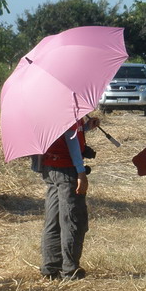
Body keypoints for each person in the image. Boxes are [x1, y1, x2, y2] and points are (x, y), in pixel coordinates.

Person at [39, 115, 100, 281]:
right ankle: (70, 270)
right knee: (73, 220)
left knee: (54, 218)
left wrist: (85, 127)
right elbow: (71, 138)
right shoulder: (66, 108)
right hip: (66, 170)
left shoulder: (52, 105)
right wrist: (80, 171)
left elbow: (65, 132)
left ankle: (51, 268)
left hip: (51, 168)